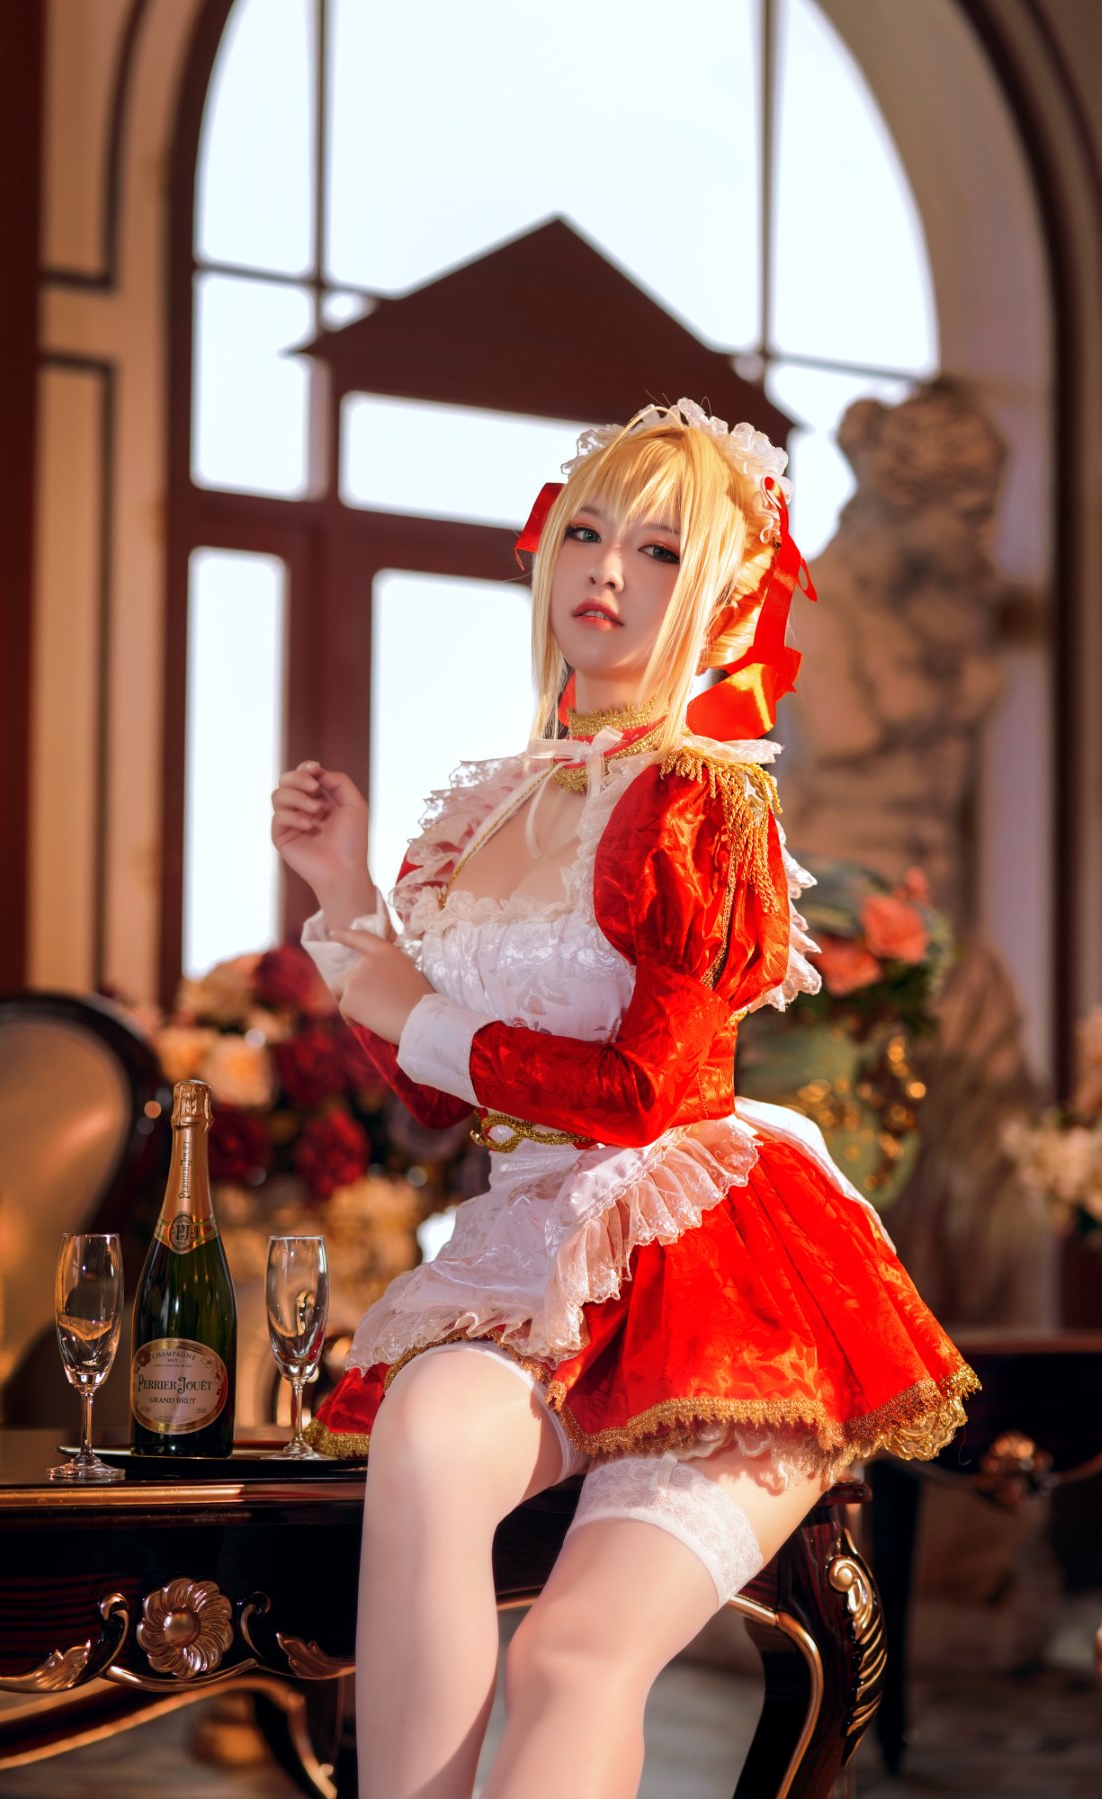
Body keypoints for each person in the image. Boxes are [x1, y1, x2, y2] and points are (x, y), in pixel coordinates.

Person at [270, 400, 977, 1799]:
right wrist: (346, 896)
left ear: (719, 593)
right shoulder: (482, 811)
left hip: (718, 1278)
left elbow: (647, 1090)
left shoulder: (706, 804)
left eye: (659, 549)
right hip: (526, 1252)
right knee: (424, 1437)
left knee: (571, 1660)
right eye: (587, 531)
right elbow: (435, 1097)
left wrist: (414, 1006)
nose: (605, 567)